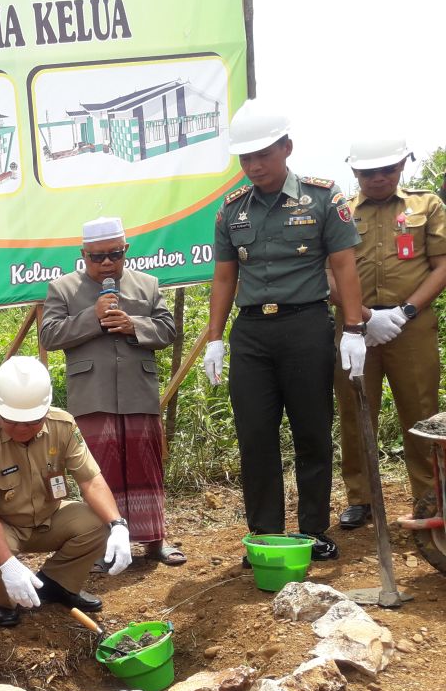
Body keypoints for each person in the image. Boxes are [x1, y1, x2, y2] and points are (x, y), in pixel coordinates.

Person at [201, 100, 366, 562]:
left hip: (305, 327)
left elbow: (343, 266)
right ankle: (267, 534)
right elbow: (224, 277)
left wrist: (353, 328)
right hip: (252, 335)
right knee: (255, 436)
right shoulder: (230, 211)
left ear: (287, 148)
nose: (254, 166)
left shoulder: (323, 197)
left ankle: (313, 530)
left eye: (263, 156)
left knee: (312, 432)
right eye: (246, 158)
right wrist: (215, 337)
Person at [40, 216, 181, 567]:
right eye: (97, 256)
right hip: (92, 392)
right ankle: (103, 547)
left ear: (125, 251)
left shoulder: (147, 284)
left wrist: (135, 325)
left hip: (138, 389)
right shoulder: (63, 289)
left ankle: (153, 542)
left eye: (115, 255)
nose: (106, 264)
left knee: (145, 465)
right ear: (83, 254)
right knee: (98, 471)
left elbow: (167, 330)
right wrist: (93, 316)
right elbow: (49, 336)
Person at [0, 357, 130, 627]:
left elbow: (91, 480)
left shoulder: (62, 426)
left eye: (31, 422)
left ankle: (58, 585)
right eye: (13, 421)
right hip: (1, 523)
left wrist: (118, 524)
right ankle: (8, 601)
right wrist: (9, 564)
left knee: (98, 522)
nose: (22, 429)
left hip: (49, 518)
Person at [332, 139, 446, 529]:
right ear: (354, 173)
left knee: (421, 411)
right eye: (368, 172)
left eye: (387, 170)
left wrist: (406, 310)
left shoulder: (426, 205)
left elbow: (442, 265)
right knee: (356, 410)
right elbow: (326, 272)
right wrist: (362, 316)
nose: (378, 178)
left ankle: (430, 498)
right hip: (353, 328)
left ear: (402, 166)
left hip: (411, 327)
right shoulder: (340, 212)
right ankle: (360, 498)